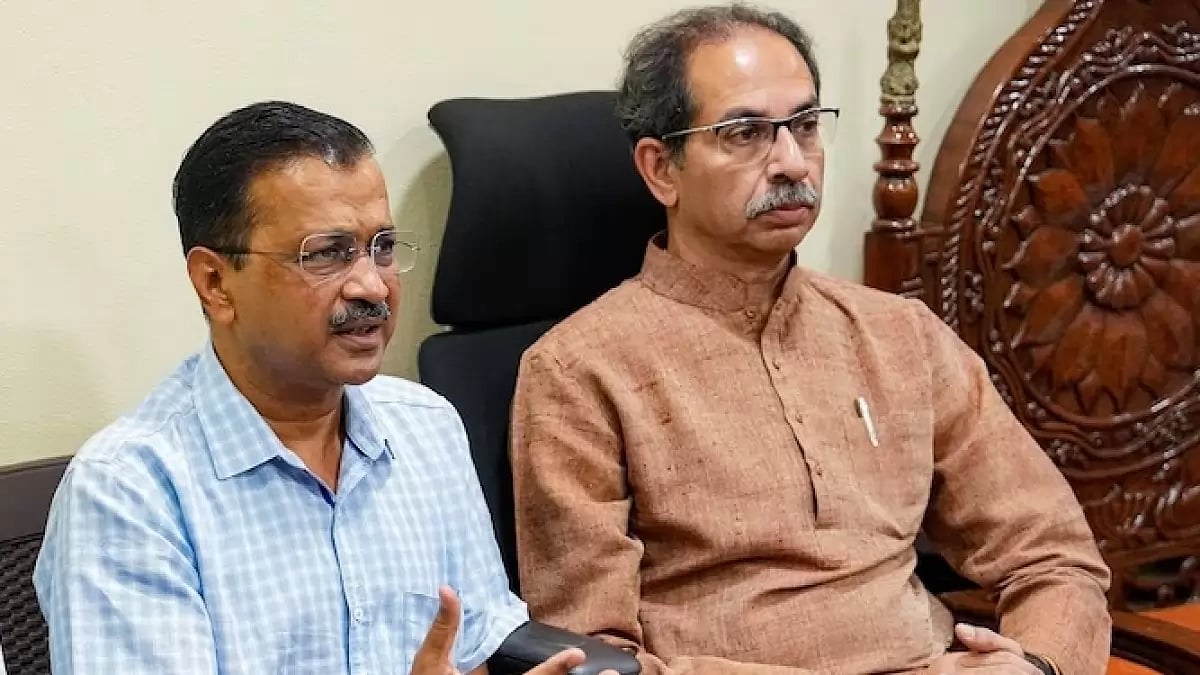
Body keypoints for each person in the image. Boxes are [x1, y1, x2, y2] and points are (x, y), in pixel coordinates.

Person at [509, 5, 1111, 675]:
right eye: (745, 133)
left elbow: (1054, 551)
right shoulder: (577, 370)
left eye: (804, 125)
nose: (792, 162)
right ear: (661, 169)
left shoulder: (900, 334)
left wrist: (1036, 662)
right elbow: (590, 658)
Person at [34, 101, 595, 675]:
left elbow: (474, 650)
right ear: (215, 283)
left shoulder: (426, 426)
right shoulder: (129, 491)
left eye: (382, 246)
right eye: (326, 254)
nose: (372, 286)